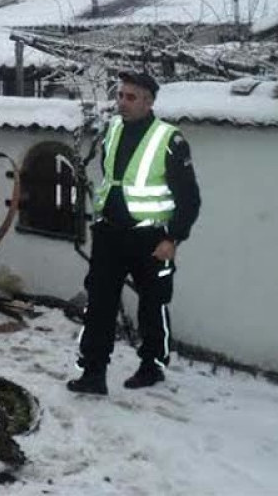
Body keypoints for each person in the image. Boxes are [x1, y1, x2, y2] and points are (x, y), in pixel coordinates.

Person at [67, 70, 201, 395]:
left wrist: (173, 239)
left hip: (151, 239)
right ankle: (93, 373)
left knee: (153, 304)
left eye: (131, 97)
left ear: (149, 101)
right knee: (99, 303)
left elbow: (189, 197)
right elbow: (113, 179)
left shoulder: (169, 139)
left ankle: (152, 366)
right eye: (120, 96)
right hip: (110, 235)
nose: (123, 103)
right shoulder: (112, 130)